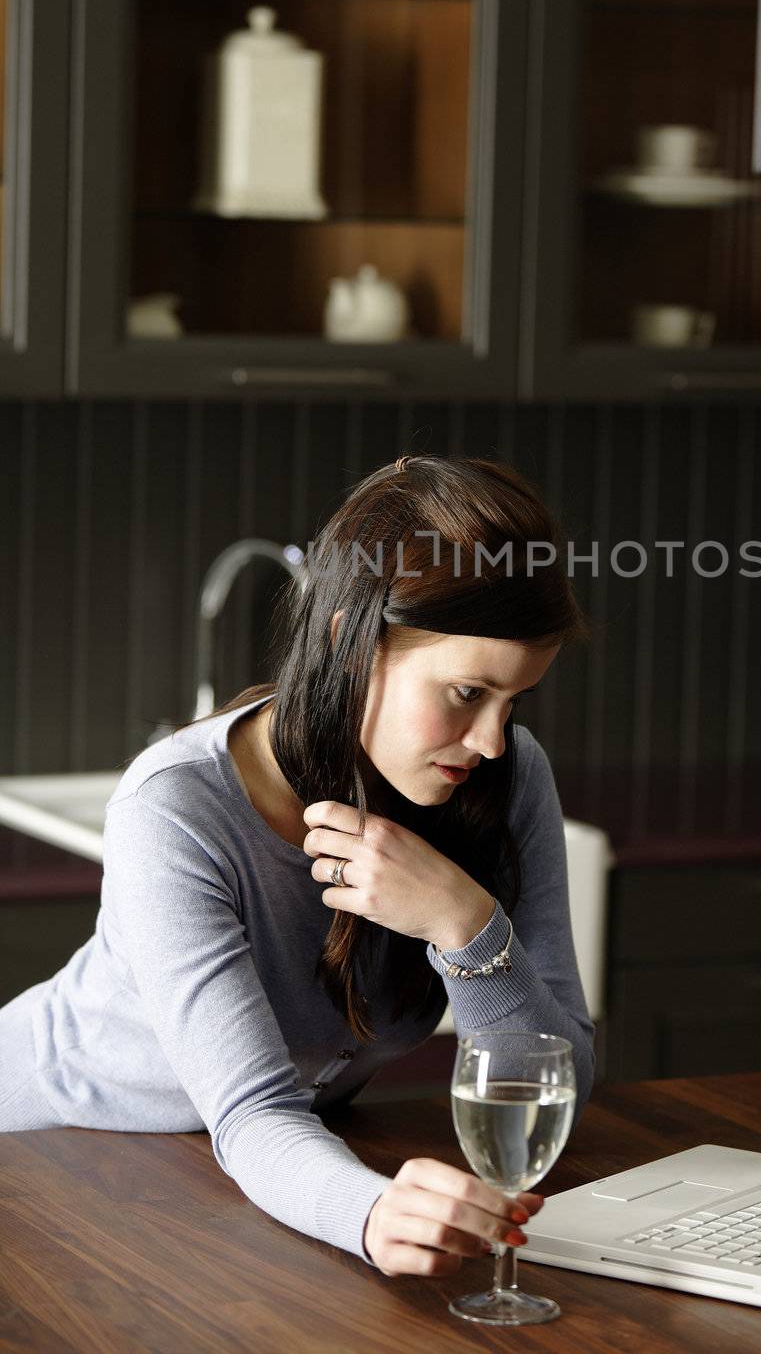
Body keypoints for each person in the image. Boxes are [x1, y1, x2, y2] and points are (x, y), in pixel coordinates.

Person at [0, 454, 595, 1278]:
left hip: (211, 1178)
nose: (494, 740)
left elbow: (561, 1073)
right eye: (465, 694)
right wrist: (370, 1210)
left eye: (514, 700)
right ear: (349, 639)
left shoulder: (505, 777)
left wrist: (467, 926)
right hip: (47, 1148)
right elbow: (252, 1111)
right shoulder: (174, 808)